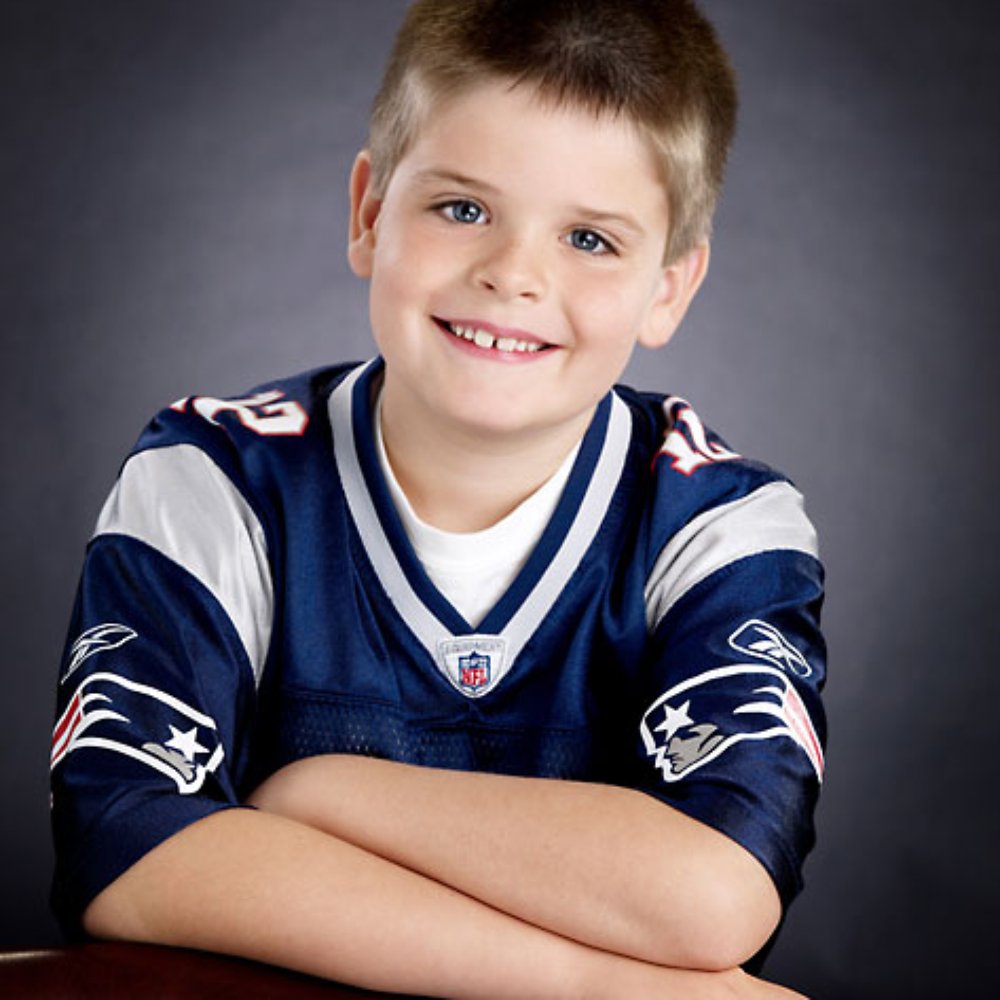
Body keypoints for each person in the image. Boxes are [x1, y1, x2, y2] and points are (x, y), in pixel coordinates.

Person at [49, 1, 826, 996]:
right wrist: (602, 986)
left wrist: (321, 791)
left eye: (589, 238)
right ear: (369, 213)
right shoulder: (213, 478)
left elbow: (716, 894)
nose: (512, 275)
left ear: (669, 287)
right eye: (462, 209)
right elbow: (124, 848)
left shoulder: (719, 524)